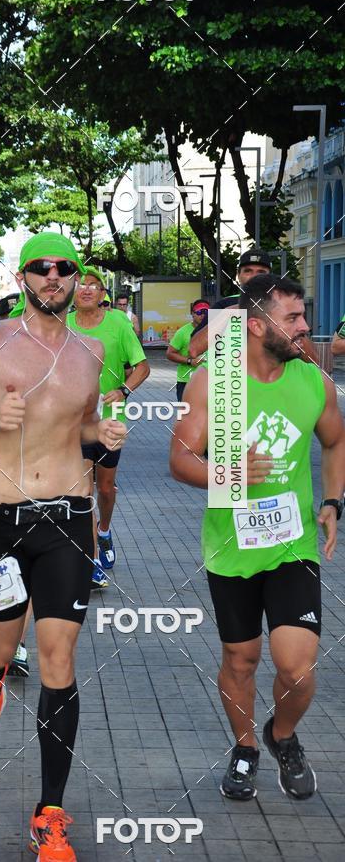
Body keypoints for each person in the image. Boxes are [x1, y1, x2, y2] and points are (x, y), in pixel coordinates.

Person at [0, 231, 126, 861]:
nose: (54, 277)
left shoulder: (91, 352)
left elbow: (81, 426)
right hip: (4, 520)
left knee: (59, 659)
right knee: (2, 644)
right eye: (42, 268)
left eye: (66, 269)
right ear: (23, 276)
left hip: (69, 515)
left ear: (76, 279)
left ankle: (51, 814)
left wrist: (104, 433)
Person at [170, 274, 345, 802]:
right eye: (292, 318)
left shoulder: (315, 381)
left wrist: (334, 502)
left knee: (297, 665)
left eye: (303, 316)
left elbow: (335, 443)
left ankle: (281, 736)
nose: (305, 327)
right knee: (241, 659)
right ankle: (245, 748)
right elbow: (179, 461)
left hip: (293, 543)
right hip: (231, 546)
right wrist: (230, 473)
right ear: (255, 324)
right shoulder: (211, 383)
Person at [68, 266, 149, 586]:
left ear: (103, 294)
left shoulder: (118, 322)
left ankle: (104, 531)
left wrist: (124, 390)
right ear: (72, 292)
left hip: (112, 418)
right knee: (83, 490)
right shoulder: (62, 323)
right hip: (76, 420)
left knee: (105, 488)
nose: (86, 290)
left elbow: (142, 366)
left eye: (93, 286)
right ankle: (92, 561)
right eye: (81, 285)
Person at [189, 248, 320, 365]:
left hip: (278, 385)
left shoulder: (287, 306)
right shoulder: (223, 306)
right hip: (232, 386)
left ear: (269, 276)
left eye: (261, 272)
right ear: (238, 275)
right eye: (248, 271)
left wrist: (294, 330)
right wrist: (230, 313)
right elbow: (194, 349)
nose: (254, 276)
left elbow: (313, 360)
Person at [166, 300, 209, 401]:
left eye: (206, 312)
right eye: (199, 312)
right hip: (186, 381)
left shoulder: (217, 329)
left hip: (209, 380)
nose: (202, 315)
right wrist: (189, 361)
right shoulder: (182, 332)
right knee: (186, 414)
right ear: (192, 314)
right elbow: (170, 353)